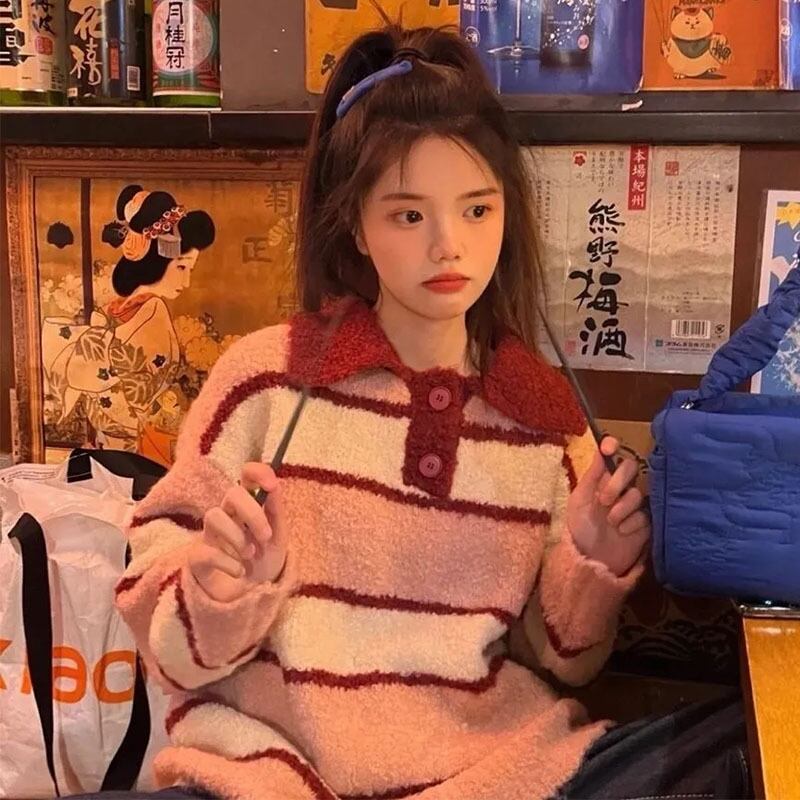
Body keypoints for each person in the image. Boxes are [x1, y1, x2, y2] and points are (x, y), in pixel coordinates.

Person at [66, 24, 751, 800]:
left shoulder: (542, 416)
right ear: (355, 225)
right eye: (408, 215)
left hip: (496, 773)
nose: (450, 245)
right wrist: (219, 589)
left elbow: (564, 661)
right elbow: (171, 652)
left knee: (740, 738)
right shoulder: (266, 379)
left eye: (477, 210)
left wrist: (591, 562)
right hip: (276, 775)